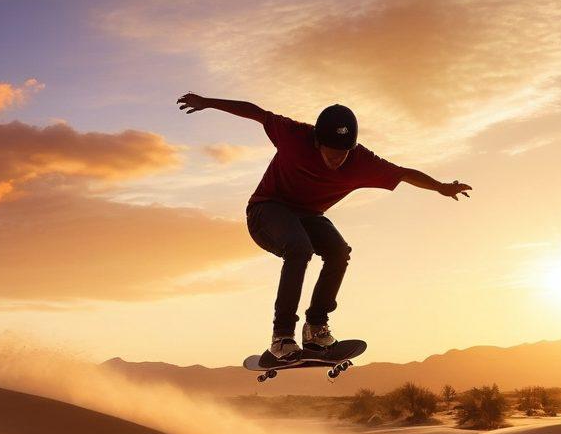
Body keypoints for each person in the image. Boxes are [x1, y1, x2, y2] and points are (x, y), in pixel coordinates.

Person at [177, 93, 471, 359]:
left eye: (343, 153)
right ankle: (282, 337)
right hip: (265, 212)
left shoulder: (361, 161)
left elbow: (404, 173)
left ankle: (315, 329)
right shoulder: (294, 136)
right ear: (317, 141)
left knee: (338, 251)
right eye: (331, 152)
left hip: (306, 217)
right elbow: (257, 113)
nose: (336, 160)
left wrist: (441, 187)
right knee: (299, 249)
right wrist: (208, 102)